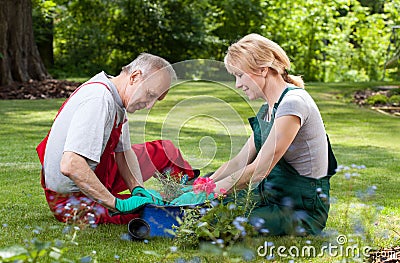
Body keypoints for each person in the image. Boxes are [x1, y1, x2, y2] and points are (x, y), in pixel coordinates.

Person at [36, 53, 198, 225]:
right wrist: (117, 204)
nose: (150, 105)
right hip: (71, 199)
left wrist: (137, 189)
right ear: (135, 77)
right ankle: (188, 207)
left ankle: (193, 190)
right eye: (150, 95)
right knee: (151, 212)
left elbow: (124, 153)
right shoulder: (98, 99)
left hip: (98, 172)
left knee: (165, 151)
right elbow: (71, 164)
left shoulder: (116, 96)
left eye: (155, 99)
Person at [209, 33, 337, 236]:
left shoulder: (293, 103)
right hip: (272, 197)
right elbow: (239, 161)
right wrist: (204, 186)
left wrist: (207, 195)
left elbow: (258, 170)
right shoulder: (267, 110)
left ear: (262, 69)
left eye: (240, 75)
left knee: (220, 224)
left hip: (300, 210)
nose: (237, 84)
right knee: (209, 207)